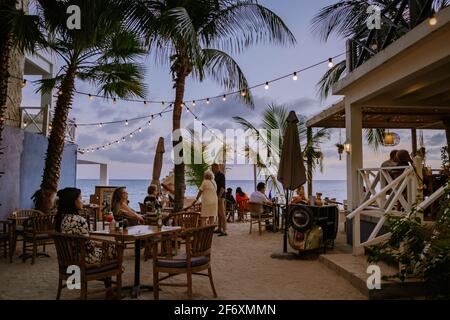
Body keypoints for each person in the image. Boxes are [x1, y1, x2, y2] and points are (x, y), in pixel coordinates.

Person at [56, 188, 112, 264]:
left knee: (104, 246)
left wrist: (96, 244)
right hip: (83, 259)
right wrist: (100, 245)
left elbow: (81, 240)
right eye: (80, 198)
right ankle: (107, 273)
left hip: (70, 257)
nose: (82, 201)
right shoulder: (79, 220)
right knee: (112, 247)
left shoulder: (61, 218)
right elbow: (88, 247)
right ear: (74, 201)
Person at [212, 163, 227, 236]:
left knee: (222, 213)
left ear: (216, 168)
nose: (211, 170)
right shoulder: (215, 176)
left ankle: (224, 230)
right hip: (217, 196)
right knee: (218, 213)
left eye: (212, 168)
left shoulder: (221, 175)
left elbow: (223, 187)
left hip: (220, 196)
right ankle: (219, 228)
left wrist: (219, 197)